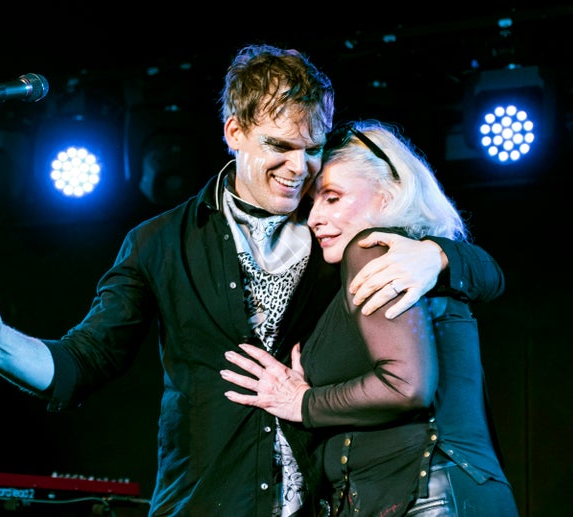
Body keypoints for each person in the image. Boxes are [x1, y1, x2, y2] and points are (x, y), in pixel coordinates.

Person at [0, 46, 505, 517]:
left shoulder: (336, 226)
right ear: (235, 131)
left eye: (313, 149)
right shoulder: (159, 241)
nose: (298, 167)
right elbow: (82, 364)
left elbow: (486, 277)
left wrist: (437, 256)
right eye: (279, 146)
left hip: (328, 501)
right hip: (207, 500)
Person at [220, 119, 517, 516]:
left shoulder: (371, 249)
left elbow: (405, 385)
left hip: (429, 494)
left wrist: (303, 402)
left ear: (388, 195)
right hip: (428, 493)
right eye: (312, 202)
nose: (313, 219)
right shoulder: (399, 262)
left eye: (333, 198)